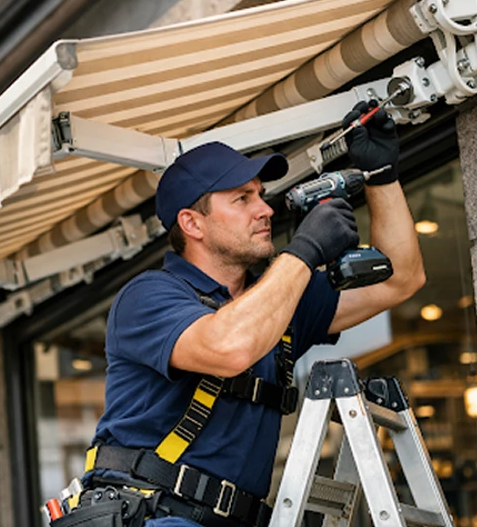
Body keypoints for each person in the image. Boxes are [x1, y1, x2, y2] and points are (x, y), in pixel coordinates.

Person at [74, 103, 425, 527]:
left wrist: (381, 177)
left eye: (260, 195)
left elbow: (400, 278)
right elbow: (230, 346)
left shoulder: (277, 298)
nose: (265, 209)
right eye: (242, 198)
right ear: (192, 223)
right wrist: (305, 252)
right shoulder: (148, 296)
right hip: (155, 516)